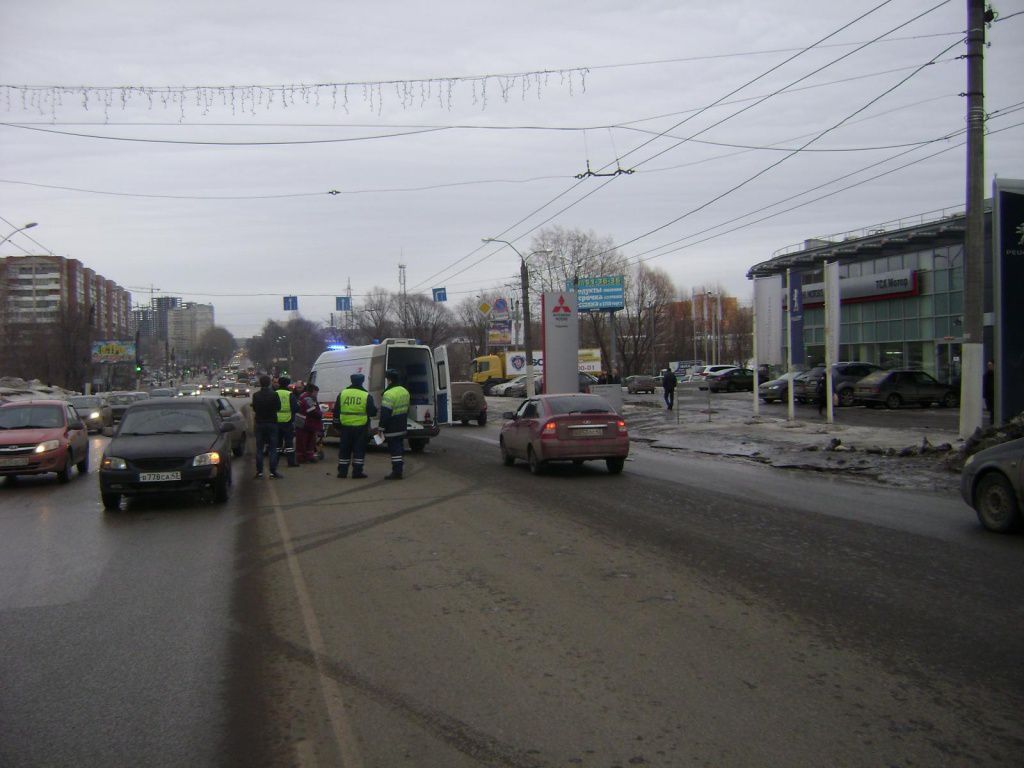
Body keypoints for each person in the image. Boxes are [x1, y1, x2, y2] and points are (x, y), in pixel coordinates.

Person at [334, 372, 377, 479]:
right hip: (360, 427)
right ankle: (357, 472)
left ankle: (342, 472)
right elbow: (372, 412)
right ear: (362, 381)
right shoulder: (366, 395)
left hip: (345, 426)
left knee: (344, 449)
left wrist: (336, 424)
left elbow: (336, 410)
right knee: (359, 449)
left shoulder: (343, 394)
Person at [378, 369, 411, 480]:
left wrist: (381, 427)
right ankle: (399, 469)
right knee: (400, 448)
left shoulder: (389, 394)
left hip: (392, 426)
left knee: (395, 449)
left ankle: (397, 472)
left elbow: (385, 413)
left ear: (390, 380)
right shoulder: (404, 391)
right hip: (402, 424)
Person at [251, 374, 281, 479]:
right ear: (269, 383)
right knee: (273, 448)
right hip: (272, 423)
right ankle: (273, 472)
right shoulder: (274, 394)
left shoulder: (256, 395)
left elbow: (254, 408)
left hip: (260, 423)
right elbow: (278, 407)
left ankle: (259, 472)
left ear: (260, 383)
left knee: (259, 448)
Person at [275, 376, 300, 468]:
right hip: (287, 421)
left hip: (276, 421)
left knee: (277, 443)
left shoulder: (274, 393)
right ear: (287, 384)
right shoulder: (289, 394)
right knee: (289, 443)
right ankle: (291, 462)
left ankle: (275, 461)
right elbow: (295, 408)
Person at [295, 383, 323, 463]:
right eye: (316, 392)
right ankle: (303, 457)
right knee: (306, 441)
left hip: (303, 422)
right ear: (313, 391)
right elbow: (312, 411)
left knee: (306, 440)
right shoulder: (308, 399)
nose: (316, 394)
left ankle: (306, 456)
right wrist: (320, 414)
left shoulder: (303, 396)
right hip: (306, 423)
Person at [983, 360, 994, 424]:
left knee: (993, 411)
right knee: (991, 411)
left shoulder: (997, 375)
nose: (989, 366)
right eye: (988, 365)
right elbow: (985, 385)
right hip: (989, 396)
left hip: (993, 396)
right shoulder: (986, 375)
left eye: (990, 365)